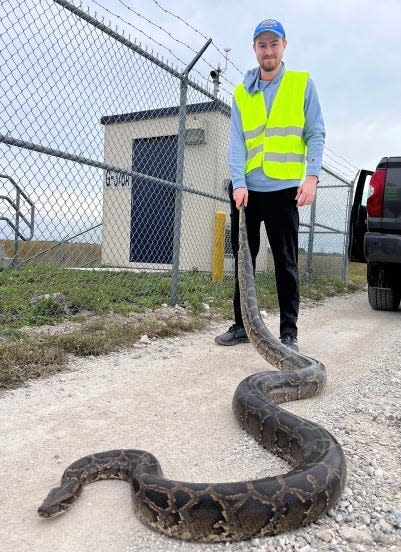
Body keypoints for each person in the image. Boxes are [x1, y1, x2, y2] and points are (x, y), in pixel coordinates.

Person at [215, 18, 325, 352]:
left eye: (273, 44)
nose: (268, 50)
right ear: (255, 49)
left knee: (285, 262)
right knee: (244, 261)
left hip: (284, 190)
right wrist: (238, 183)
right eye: (262, 45)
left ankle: (288, 332)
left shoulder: (301, 84)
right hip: (248, 192)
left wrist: (311, 177)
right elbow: (238, 144)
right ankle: (241, 325)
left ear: (284, 46)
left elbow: (315, 132)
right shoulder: (241, 93)